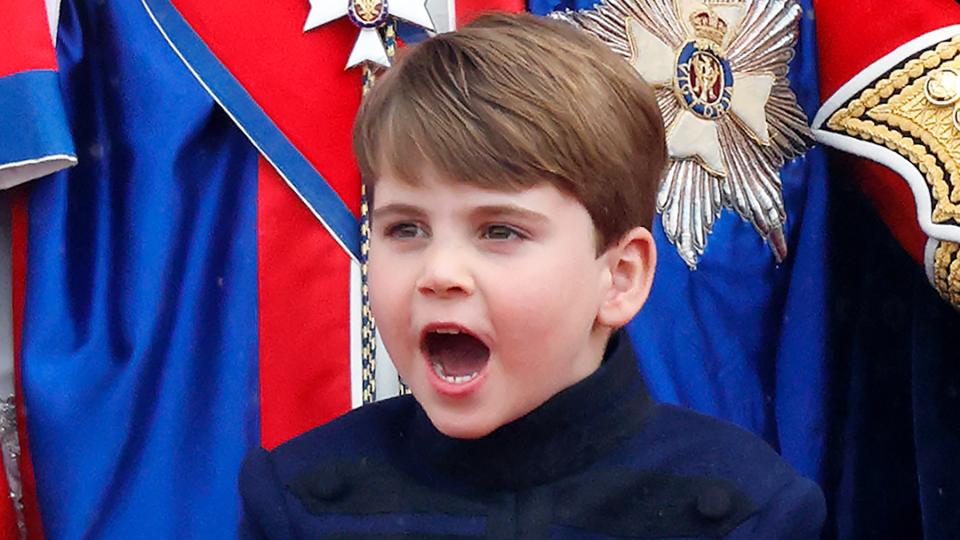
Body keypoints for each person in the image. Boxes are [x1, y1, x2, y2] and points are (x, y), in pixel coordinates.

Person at [238, 12, 825, 539]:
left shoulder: (748, 513)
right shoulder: (300, 504)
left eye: (499, 231)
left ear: (619, 277)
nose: (439, 272)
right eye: (406, 230)